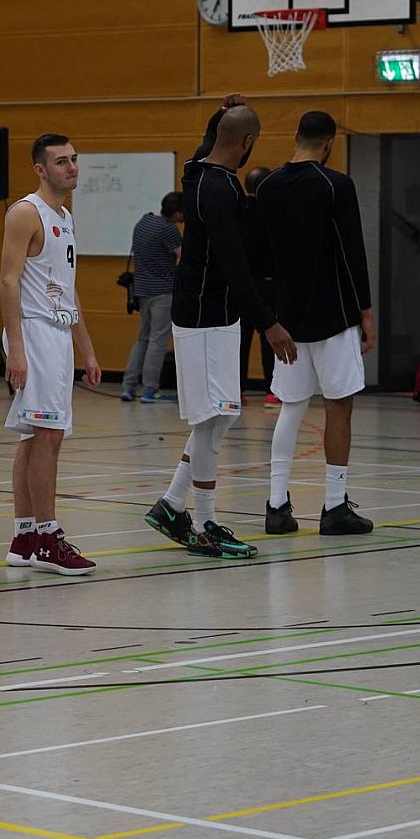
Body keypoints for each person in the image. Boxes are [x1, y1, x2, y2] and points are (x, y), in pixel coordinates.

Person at [143, 104, 296, 560]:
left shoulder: (196, 173)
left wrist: (217, 116)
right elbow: (234, 265)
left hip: (214, 315)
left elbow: (205, 147)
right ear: (247, 143)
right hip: (205, 316)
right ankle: (206, 524)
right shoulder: (220, 189)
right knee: (212, 419)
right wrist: (269, 323)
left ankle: (172, 504)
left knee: (221, 416)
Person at [253, 111, 376, 536]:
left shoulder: (266, 187)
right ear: (329, 144)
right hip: (333, 314)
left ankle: (276, 506)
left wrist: (269, 318)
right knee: (339, 405)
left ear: (297, 137)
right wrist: (365, 311)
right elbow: (352, 250)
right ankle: (335, 505)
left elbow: (260, 258)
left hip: (286, 319)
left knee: (291, 406)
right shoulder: (335, 185)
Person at [0, 134, 103, 576]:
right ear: (40, 169)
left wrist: (87, 348)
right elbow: (8, 281)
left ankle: (24, 537)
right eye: (61, 161)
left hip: (56, 334)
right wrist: (16, 346)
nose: (72, 167)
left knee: (34, 436)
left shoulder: (65, 216)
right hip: (34, 332)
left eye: (74, 159)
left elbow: (68, 288)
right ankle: (47, 536)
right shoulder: (26, 212)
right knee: (48, 436)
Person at [121, 191, 182, 404]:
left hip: (143, 291)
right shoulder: (168, 229)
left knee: (143, 338)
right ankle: (150, 389)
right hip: (163, 292)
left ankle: (128, 386)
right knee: (158, 341)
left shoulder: (143, 222)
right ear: (176, 213)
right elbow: (183, 256)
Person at [237, 165, 280, 407]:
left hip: (240, 284)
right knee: (270, 337)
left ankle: (236, 391)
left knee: (239, 341)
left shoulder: (236, 209)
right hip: (268, 283)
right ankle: (272, 391)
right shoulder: (273, 211)